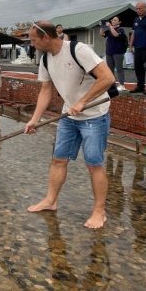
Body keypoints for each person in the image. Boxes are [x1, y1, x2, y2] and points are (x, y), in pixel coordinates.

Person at [24, 21, 114, 229]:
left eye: (33, 39)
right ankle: (50, 200)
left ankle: (99, 211)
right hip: (69, 117)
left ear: (46, 37)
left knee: (94, 163)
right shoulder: (45, 59)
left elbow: (107, 78)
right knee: (58, 159)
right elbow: (46, 90)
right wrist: (35, 119)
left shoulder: (78, 50)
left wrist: (83, 101)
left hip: (94, 116)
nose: (32, 44)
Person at [100, 17, 128, 91]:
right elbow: (102, 34)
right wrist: (102, 27)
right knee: (110, 69)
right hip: (109, 52)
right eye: (112, 20)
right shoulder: (109, 30)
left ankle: (122, 85)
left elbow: (116, 35)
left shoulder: (121, 29)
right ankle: (112, 85)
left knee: (119, 69)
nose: (113, 21)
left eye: (115, 20)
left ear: (119, 22)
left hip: (118, 52)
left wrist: (110, 27)